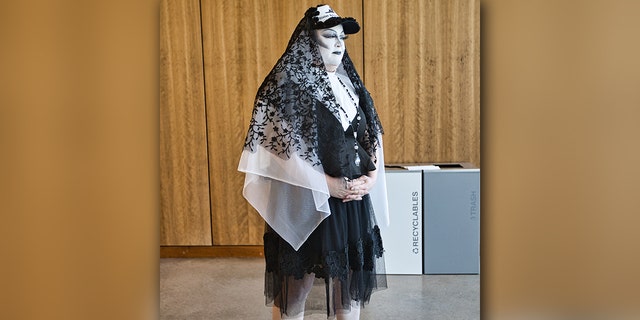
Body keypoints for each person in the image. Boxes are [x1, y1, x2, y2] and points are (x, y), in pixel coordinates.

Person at [238, 4, 388, 319]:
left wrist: (370, 178)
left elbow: (369, 131)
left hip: (350, 202)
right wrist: (326, 184)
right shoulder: (288, 86)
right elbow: (278, 151)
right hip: (305, 199)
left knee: (347, 288)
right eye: (329, 36)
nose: (338, 44)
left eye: (342, 38)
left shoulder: (351, 85)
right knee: (296, 286)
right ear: (308, 40)